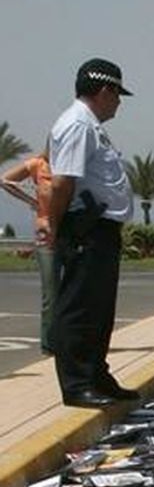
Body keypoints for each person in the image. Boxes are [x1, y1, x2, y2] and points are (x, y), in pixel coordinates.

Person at [46, 58, 138, 409]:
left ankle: (96, 375)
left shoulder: (90, 126)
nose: (119, 102)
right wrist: (54, 227)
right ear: (104, 90)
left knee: (99, 307)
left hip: (100, 228)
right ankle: (77, 383)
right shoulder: (78, 125)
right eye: (118, 94)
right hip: (86, 226)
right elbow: (62, 182)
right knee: (79, 307)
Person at [1, 150, 57, 353]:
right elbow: (6, 180)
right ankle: (49, 344)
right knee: (51, 290)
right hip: (45, 230)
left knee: (74, 288)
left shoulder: (75, 165)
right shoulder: (38, 165)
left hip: (72, 231)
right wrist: (32, 202)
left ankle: (72, 339)